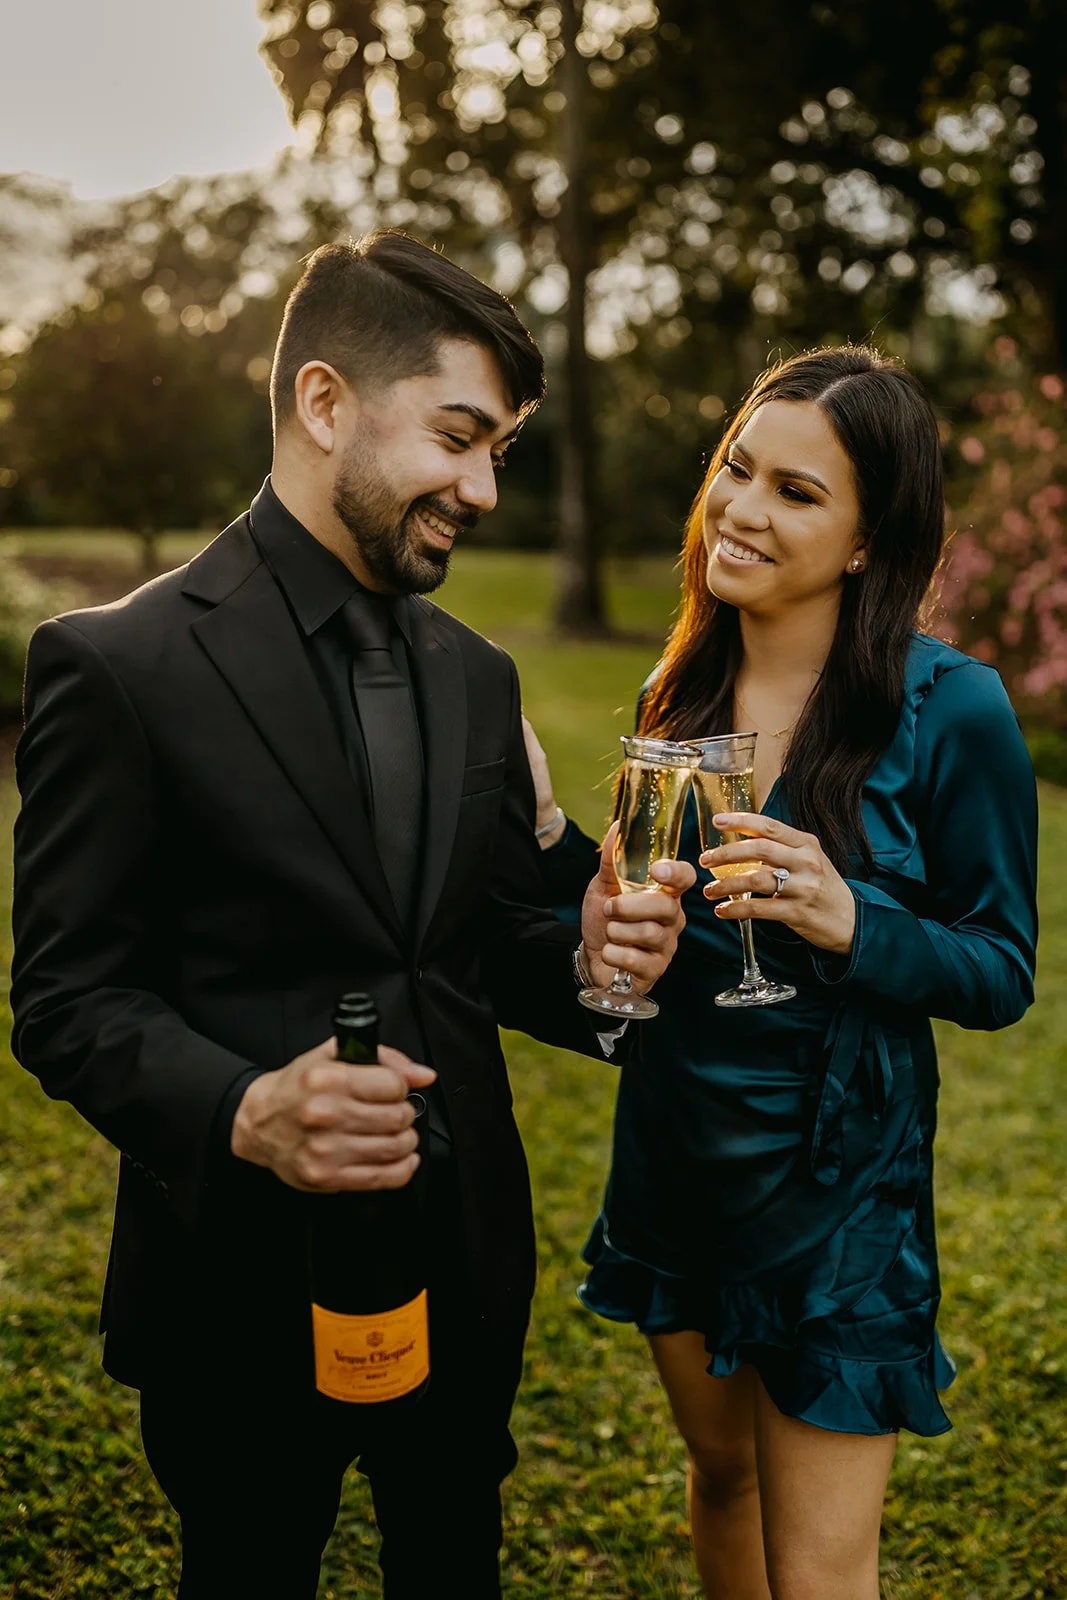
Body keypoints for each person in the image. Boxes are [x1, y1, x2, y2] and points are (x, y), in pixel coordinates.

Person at [9, 231, 695, 1599]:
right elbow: (68, 1000)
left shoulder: (478, 675)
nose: (483, 485)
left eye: (496, 448)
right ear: (326, 405)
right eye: (457, 435)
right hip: (234, 1290)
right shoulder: (120, 666)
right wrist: (243, 1109)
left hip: (462, 1259)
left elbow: (482, 944)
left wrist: (589, 956)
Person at [525, 346, 1038, 1600]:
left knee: (817, 1570)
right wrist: (603, 938)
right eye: (738, 471)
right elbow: (639, 939)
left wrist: (852, 920)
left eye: (797, 493)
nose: (744, 511)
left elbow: (998, 966)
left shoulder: (950, 709)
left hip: (838, 1184)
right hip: (675, 1153)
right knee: (720, 1479)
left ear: (869, 541)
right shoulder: (680, 682)